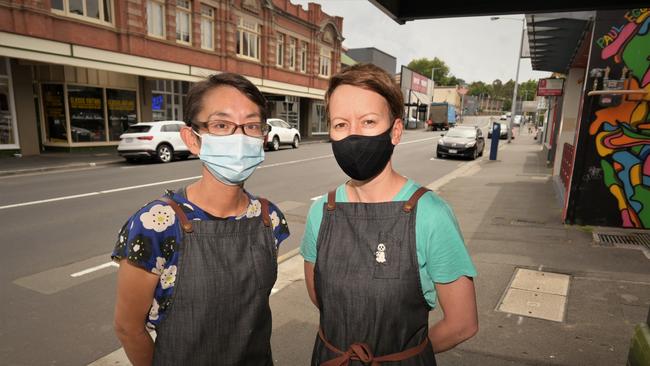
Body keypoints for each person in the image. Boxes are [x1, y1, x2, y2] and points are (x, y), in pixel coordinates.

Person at [301, 64, 478, 365]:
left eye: (368, 122)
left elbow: (462, 324)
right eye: (340, 124)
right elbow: (322, 301)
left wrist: (403, 357)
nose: (353, 135)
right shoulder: (322, 212)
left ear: (395, 131)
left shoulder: (430, 214)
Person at [112, 73, 289, 366]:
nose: (240, 137)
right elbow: (128, 328)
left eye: (252, 126)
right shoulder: (155, 224)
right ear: (192, 139)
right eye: (221, 125)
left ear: (263, 137)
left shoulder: (270, 219)